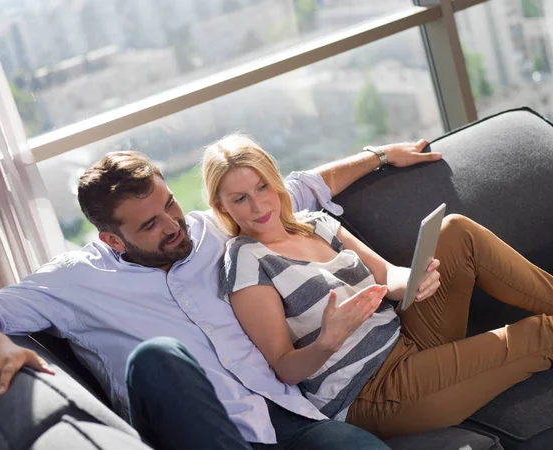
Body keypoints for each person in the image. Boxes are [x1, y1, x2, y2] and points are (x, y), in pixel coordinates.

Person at [0, 140, 440, 449]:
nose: (173, 226)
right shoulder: (73, 281)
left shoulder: (213, 229)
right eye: (150, 225)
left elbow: (293, 190)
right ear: (112, 239)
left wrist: (379, 156)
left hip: (288, 420)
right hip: (193, 426)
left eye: (170, 206)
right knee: (157, 357)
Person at [202, 133, 553, 439]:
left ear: (274, 181)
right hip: (373, 390)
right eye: (239, 198)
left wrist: (416, 280)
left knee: (456, 231)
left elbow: (387, 275)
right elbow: (283, 366)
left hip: (408, 340)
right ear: (222, 207)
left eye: (262, 186)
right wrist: (328, 341)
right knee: (543, 333)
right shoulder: (247, 261)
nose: (258, 204)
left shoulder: (315, 224)